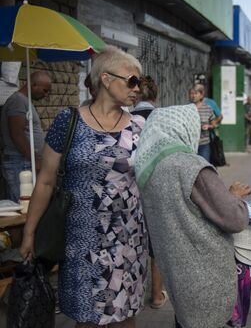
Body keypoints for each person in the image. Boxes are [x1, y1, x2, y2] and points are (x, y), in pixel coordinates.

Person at [20, 46, 147, 328]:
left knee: (124, 317)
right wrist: (29, 232)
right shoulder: (69, 121)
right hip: (81, 241)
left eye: (141, 82)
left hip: (128, 240)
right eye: (132, 80)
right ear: (105, 79)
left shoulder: (139, 126)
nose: (138, 88)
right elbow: (46, 180)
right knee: (87, 317)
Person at [134, 104, 250, 328]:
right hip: (206, 274)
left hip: (177, 274)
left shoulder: (148, 166)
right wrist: (234, 196)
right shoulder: (191, 165)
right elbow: (235, 219)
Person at [129, 75, 167, 309]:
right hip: (155, 186)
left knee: (131, 241)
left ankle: (131, 293)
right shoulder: (162, 118)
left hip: (128, 188)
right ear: (155, 95)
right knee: (157, 242)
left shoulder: (124, 118)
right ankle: (156, 295)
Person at [0, 71, 51, 202]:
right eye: (45, 90)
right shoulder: (18, 101)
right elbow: (16, 134)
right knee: (23, 205)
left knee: (30, 204)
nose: (46, 95)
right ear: (34, 85)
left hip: (24, 162)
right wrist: (35, 160)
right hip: (19, 163)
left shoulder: (24, 101)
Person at [189, 84, 221, 162]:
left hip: (204, 144)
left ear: (201, 95)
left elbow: (214, 124)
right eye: (191, 93)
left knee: (204, 167)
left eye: (196, 93)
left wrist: (209, 126)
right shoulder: (186, 108)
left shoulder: (208, 108)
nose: (193, 96)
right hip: (190, 144)